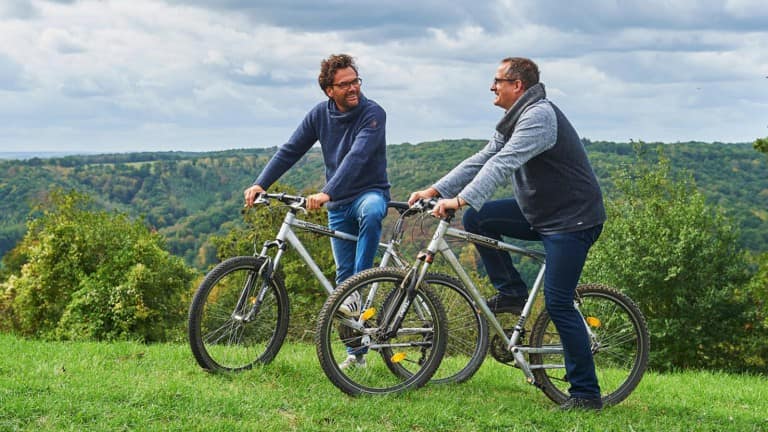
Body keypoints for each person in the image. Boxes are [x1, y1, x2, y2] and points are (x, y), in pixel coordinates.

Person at [408, 57, 606, 410]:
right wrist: (435, 190)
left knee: (558, 302)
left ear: (517, 85)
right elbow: (484, 157)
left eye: (497, 81)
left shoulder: (540, 116)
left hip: (572, 220)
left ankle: (586, 394)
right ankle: (512, 293)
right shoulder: (515, 118)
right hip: (540, 212)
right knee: (479, 219)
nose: (492, 87)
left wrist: (460, 200)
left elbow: (503, 163)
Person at [244, 54, 389, 369]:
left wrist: (326, 192)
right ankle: (357, 355)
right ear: (329, 90)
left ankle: (360, 287)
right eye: (344, 84)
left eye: (355, 81)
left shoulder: (373, 113)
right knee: (341, 277)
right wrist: (260, 183)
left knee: (371, 213)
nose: (353, 88)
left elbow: (357, 157)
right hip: (338, 205)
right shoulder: (319, 115)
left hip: (368, 193)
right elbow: (291, 150)